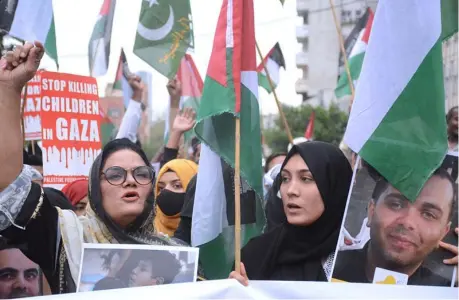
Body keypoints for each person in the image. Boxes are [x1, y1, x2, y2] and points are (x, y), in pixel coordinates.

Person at [0, 42, 182, 294]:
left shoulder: (175, 256)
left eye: (141, 174)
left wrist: (234, 288)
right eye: (116, 174)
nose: (130, 181)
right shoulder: (64, 237)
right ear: (96, 188)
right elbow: (10, 190)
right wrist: (10, 90)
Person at [230, 141, 353, 284]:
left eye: (306, 179)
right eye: (285, 179)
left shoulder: (361, 257)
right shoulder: (255, 254)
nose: (290, 190)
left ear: (334, 186)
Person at [332, 168, 458, 286]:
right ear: (371, 211)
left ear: (443, 232)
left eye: (428, 214)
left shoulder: (448, 291)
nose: (408, 222)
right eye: (396, 205)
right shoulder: (323, 269)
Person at [154, 159, 198, 236]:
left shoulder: (207, 232)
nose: (166, 190)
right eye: (161, 188)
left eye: (177, 186)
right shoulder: (147, 229)